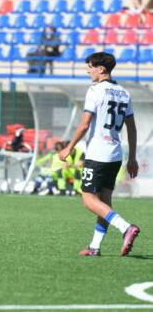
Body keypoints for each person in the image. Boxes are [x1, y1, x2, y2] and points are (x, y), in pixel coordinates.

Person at [59, 52, 140, 257]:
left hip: (98, 153)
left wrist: (69, 147)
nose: (88, 70)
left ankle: (125, 228)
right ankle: (95, 246)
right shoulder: (124, 93)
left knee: (88, 199)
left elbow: (85, 123)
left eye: (90, 66)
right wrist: (132, 157)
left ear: (101, 69)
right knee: (104, 201)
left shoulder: (95, 90)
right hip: (115, 154)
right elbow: (131, 128)